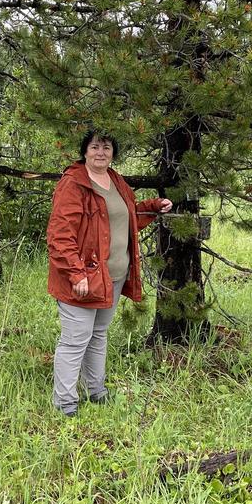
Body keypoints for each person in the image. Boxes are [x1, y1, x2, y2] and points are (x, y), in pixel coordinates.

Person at [46, 130, 172, 416]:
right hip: (83, 279)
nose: (100, 152)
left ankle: (96, 391)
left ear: (113, 152)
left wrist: (153, 207)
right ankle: (65, 403)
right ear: (85, 151)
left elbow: (124, 220)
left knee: (98, 334)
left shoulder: (116, 181)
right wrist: (75, 273)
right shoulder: (74, 184)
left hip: (112, 276)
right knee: (75, 339)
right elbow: (59, 235)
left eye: (106, 147)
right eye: (94, 147)